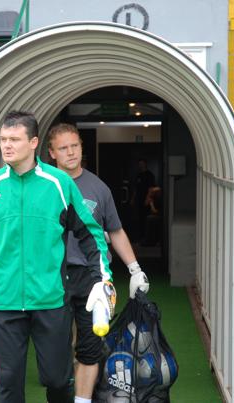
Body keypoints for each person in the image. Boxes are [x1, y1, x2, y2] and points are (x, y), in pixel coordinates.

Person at [0, 111, 116, 403]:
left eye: (14, 139)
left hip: (50, 299)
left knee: (57, 380)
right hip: (4, 300)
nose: (7, 145)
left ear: (33, 143)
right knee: (8, 384)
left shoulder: (59, 184)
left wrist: (102, 280)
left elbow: (90, 234)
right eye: (3, 139)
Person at [47, 123, 149, 403]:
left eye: (75, 146)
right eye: (63, 148)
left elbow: (115, 230)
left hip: (92, 277)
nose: (71, 152)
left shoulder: (98, 188)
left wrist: (135, 269)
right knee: (56, 350)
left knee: (90, 347)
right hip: (52, 277)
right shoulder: (42, 186)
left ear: (82, 147)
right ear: (51, 152)